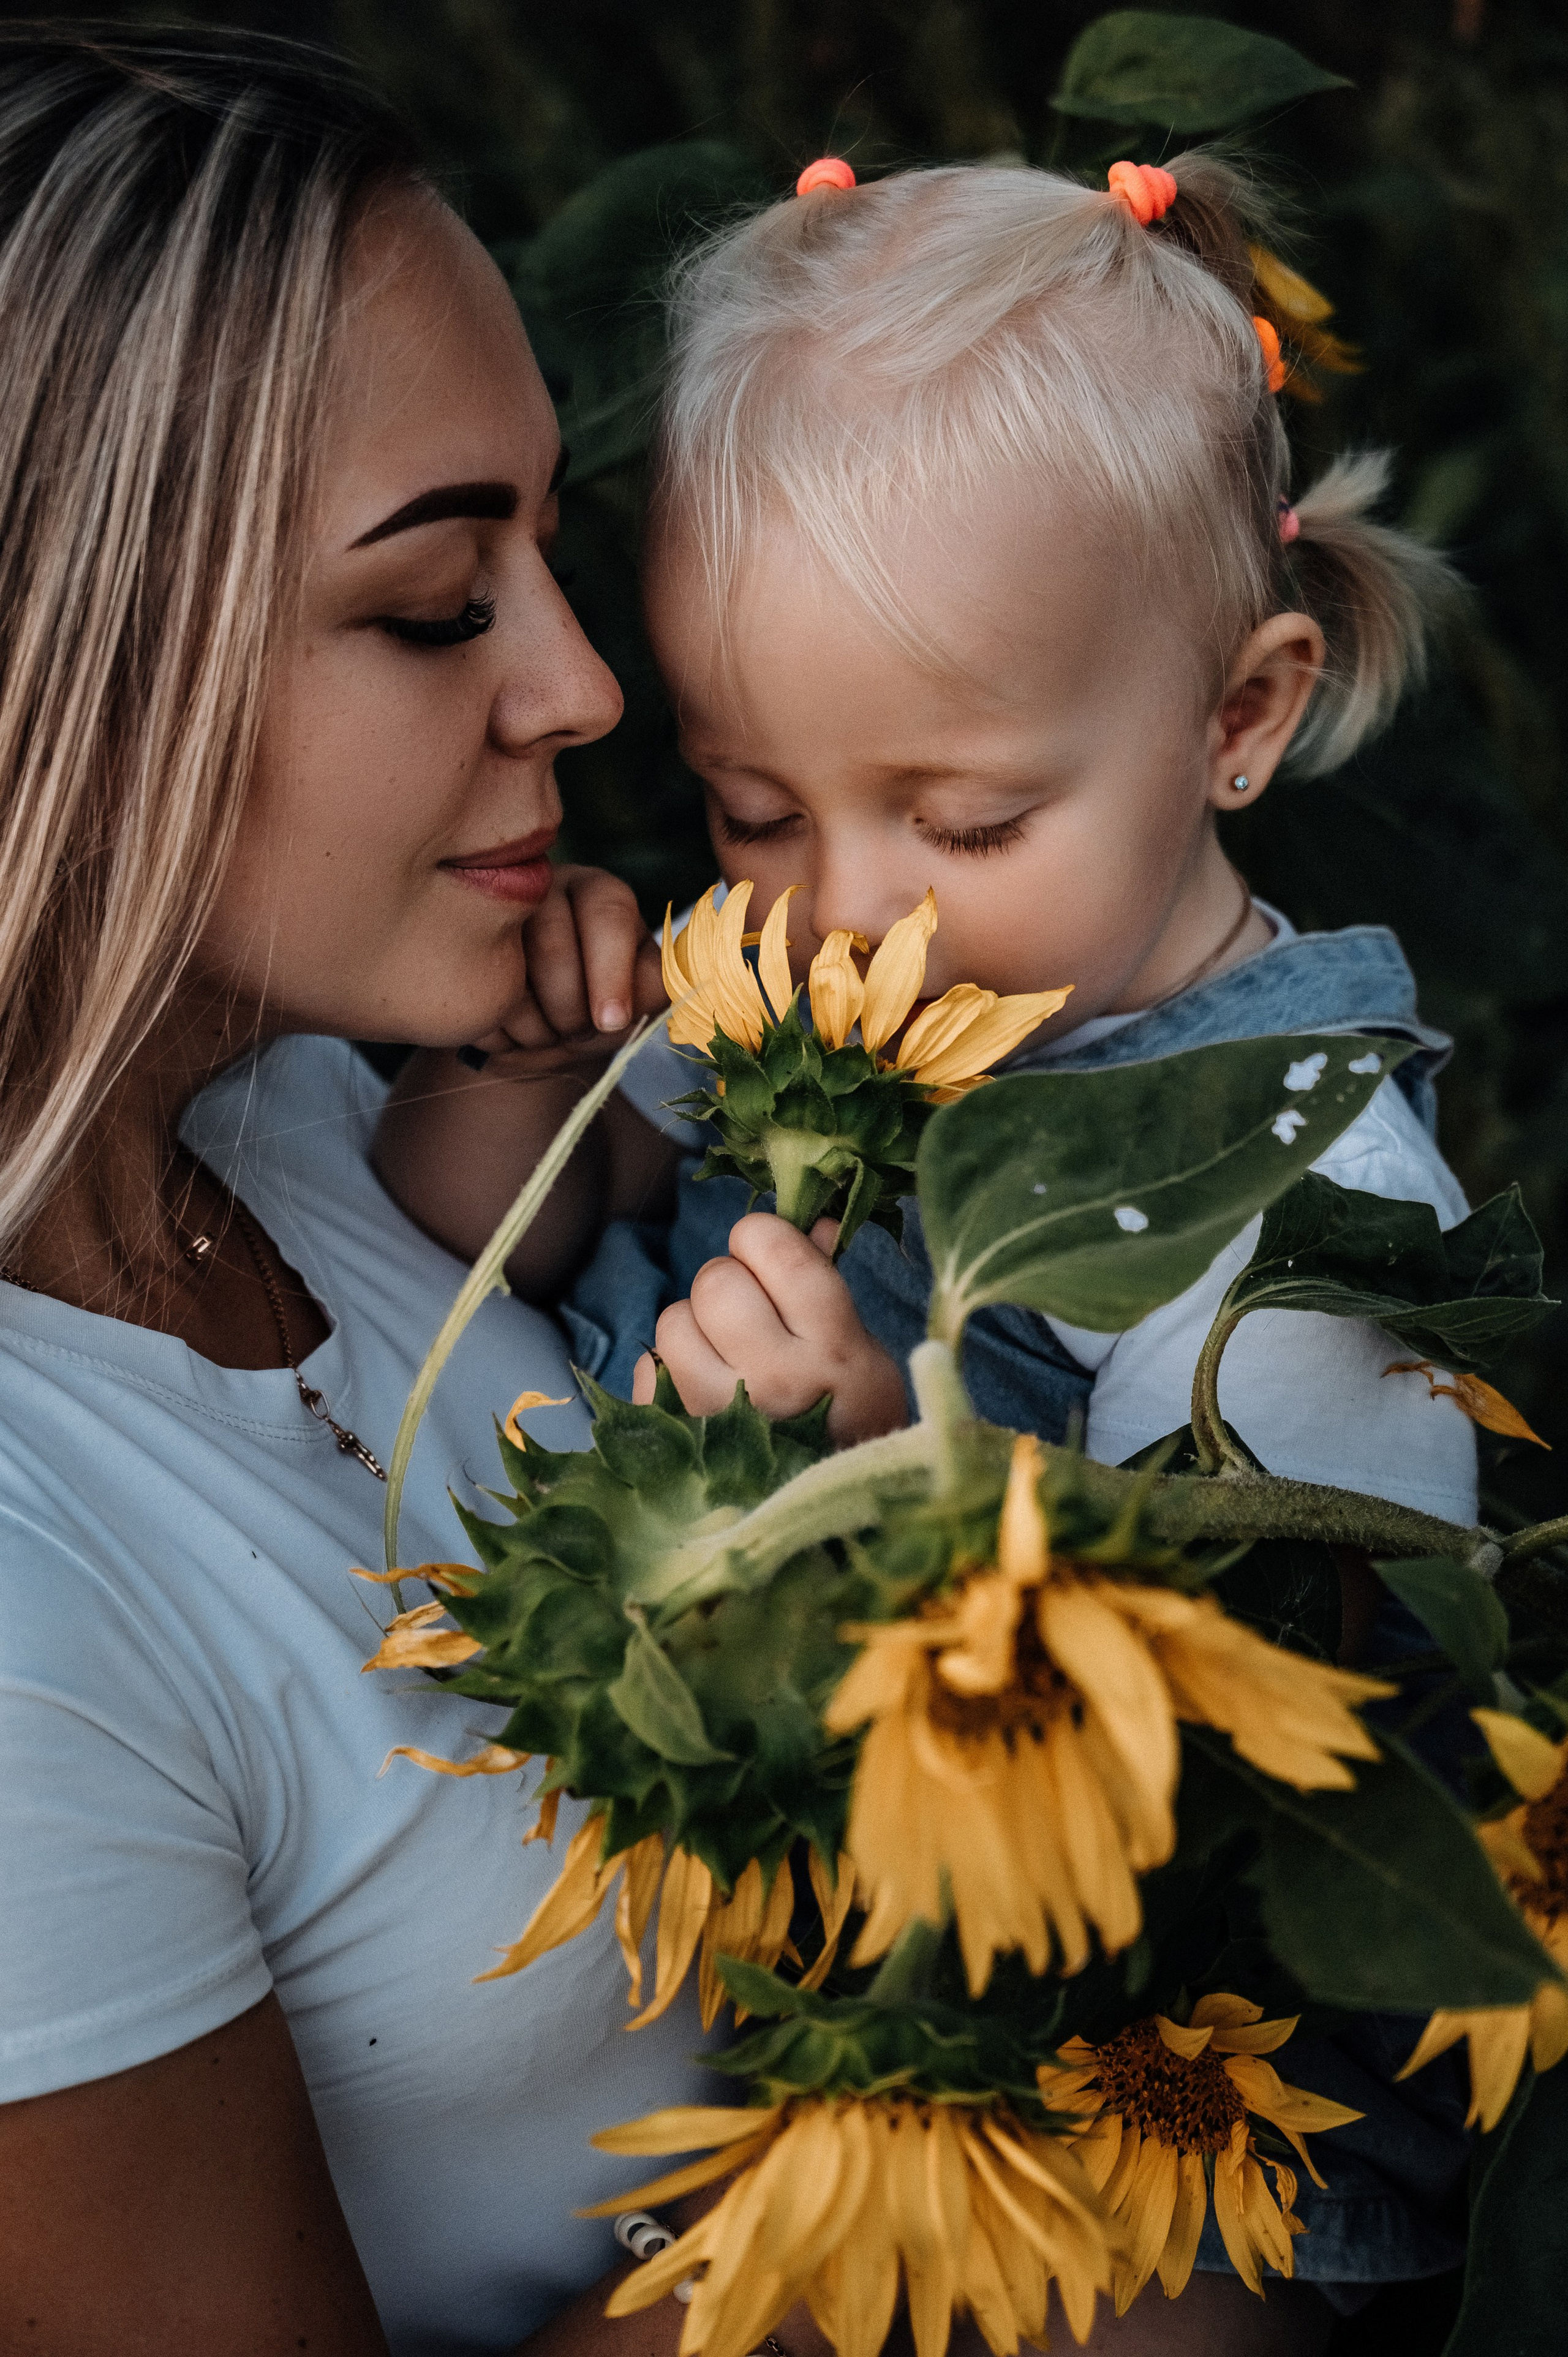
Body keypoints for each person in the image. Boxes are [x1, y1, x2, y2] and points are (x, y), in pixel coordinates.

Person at [377, 156, 1477, 2348]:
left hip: (1149, 2149)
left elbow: (1293, 1772)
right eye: (750, 805)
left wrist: (909, 1484)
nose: (844, 907)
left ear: (1238, 718)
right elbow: (469, 1227)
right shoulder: (797, 983)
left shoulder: (1305, 1213)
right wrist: (532, 1070)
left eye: (962, 821)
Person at [0, 28, 737, 2357]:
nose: (586, 683)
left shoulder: (329, 1112)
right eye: (440, 603)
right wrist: (996, 2201)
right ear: (66, 666)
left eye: (548, 549)